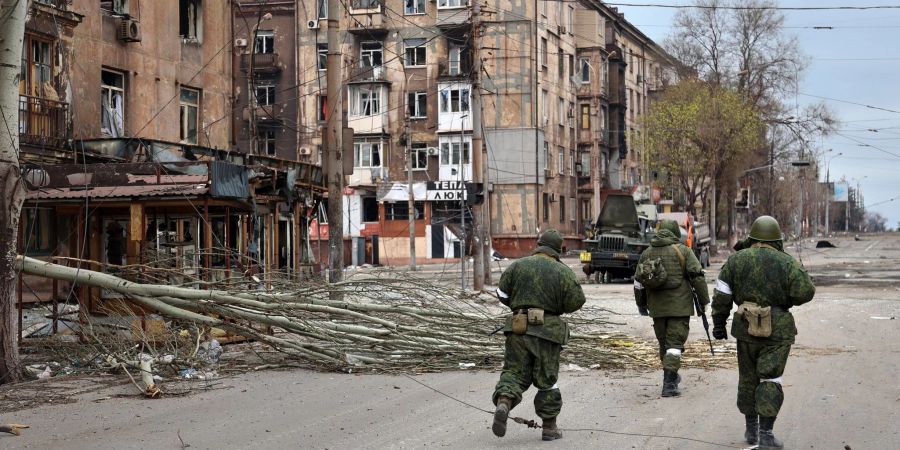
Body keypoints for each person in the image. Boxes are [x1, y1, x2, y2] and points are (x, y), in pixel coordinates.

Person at [711, 216, 815, 448]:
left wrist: (719, 324)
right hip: (777, 330)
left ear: (753, 237)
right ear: (777, 239)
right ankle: (766, 435)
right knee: (770, 378)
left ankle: (751, 430)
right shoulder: (786, 262)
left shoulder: (736, 260)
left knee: (748, 378)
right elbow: (805, 292)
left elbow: (721, 296)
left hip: (745, 328)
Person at [492, 229, 586, 441]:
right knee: (547, 379)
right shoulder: (563, 271)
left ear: (538, 244)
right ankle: (549, 428)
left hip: (518, 328)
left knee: (514, 372)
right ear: (558, 248)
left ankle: (504, 403)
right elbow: (577, 301)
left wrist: (519, 306)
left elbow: (502, 294)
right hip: (547, 331)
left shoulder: (518, 265)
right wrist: (556, 308)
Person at [633, 219, 710, 397]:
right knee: (674, 345)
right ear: (676, 233)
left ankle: (671, 376)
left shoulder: (647, 253)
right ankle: (669, 385)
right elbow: (697, 276)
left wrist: (641, 304)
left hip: (657, 308)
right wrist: (703, 301)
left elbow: (638, 283)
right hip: (680, 307)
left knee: (664, 344)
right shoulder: (683, 251)